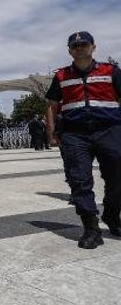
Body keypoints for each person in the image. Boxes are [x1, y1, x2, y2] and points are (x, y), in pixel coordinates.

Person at [45, 31, 121, 249]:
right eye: (75, 45)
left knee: (117, 175)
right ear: (69, 50)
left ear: (93, 47)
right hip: (75, 134)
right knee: (79, 180)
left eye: (83, 44)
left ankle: (112, 214)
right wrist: (51, 130)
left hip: (109, 130)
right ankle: (91, 228)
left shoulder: (111, 71)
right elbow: (51, 104)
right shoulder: (61, 76)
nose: (79, 48)